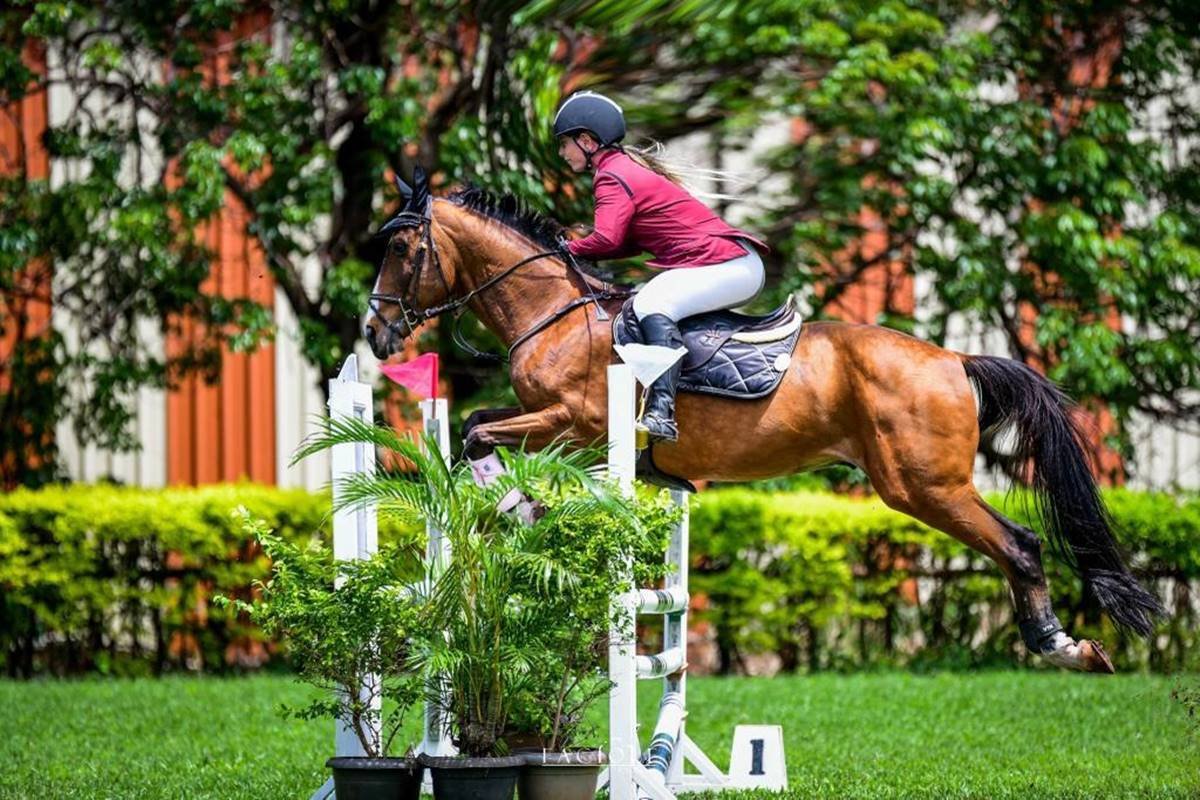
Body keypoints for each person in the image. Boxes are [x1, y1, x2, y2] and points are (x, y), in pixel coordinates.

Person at [554, 90, 767, 442]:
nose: (563, 153)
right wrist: (578, 249)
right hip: (729, 263)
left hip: (731, 265)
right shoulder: (621, 169)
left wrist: (566, 249)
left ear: (588, 141)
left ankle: (662, 412)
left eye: (566, 144)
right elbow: (622, 243)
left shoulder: (611, 176)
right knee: (647, 298)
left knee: (651, 304)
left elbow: (606, 240)